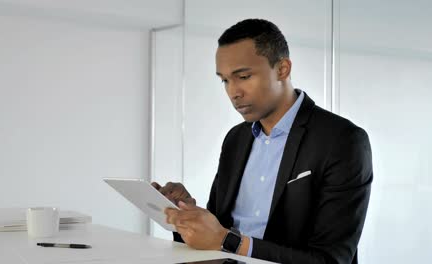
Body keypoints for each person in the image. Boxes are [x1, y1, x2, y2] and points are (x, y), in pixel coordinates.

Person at [152, 18, 372, 264]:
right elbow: (216, 233)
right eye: (225, 80)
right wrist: (187, 213)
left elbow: (331, 259)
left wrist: (229, 242)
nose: (233, 92)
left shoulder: (342, 140)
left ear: (283, 69)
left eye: (243, 76)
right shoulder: (236, 139)